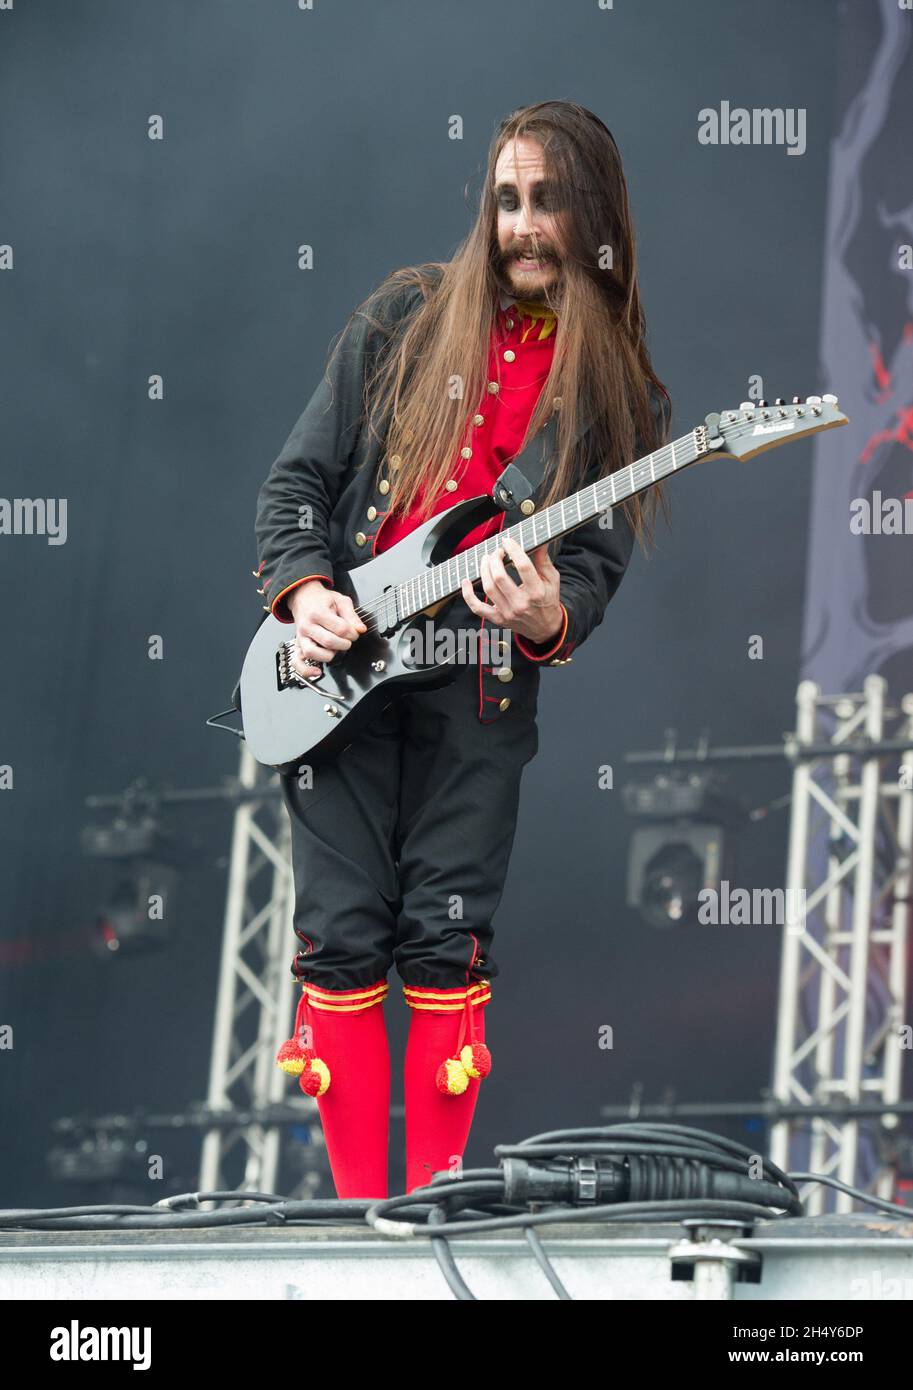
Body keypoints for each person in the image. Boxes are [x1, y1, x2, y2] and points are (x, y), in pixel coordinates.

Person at [256, 100, 671, 1198]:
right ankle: (358, 1224)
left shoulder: (618, 396)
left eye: (546, 201)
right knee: (341, 938)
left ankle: (427, 1213)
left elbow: (585, 581)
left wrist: (546, 615)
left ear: (595, 214)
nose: (523, 225)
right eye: (506, 200)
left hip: (479, 695)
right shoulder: (402, 317)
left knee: (448, 943)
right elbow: (294, 486)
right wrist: (303, 596)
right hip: (341, 672)